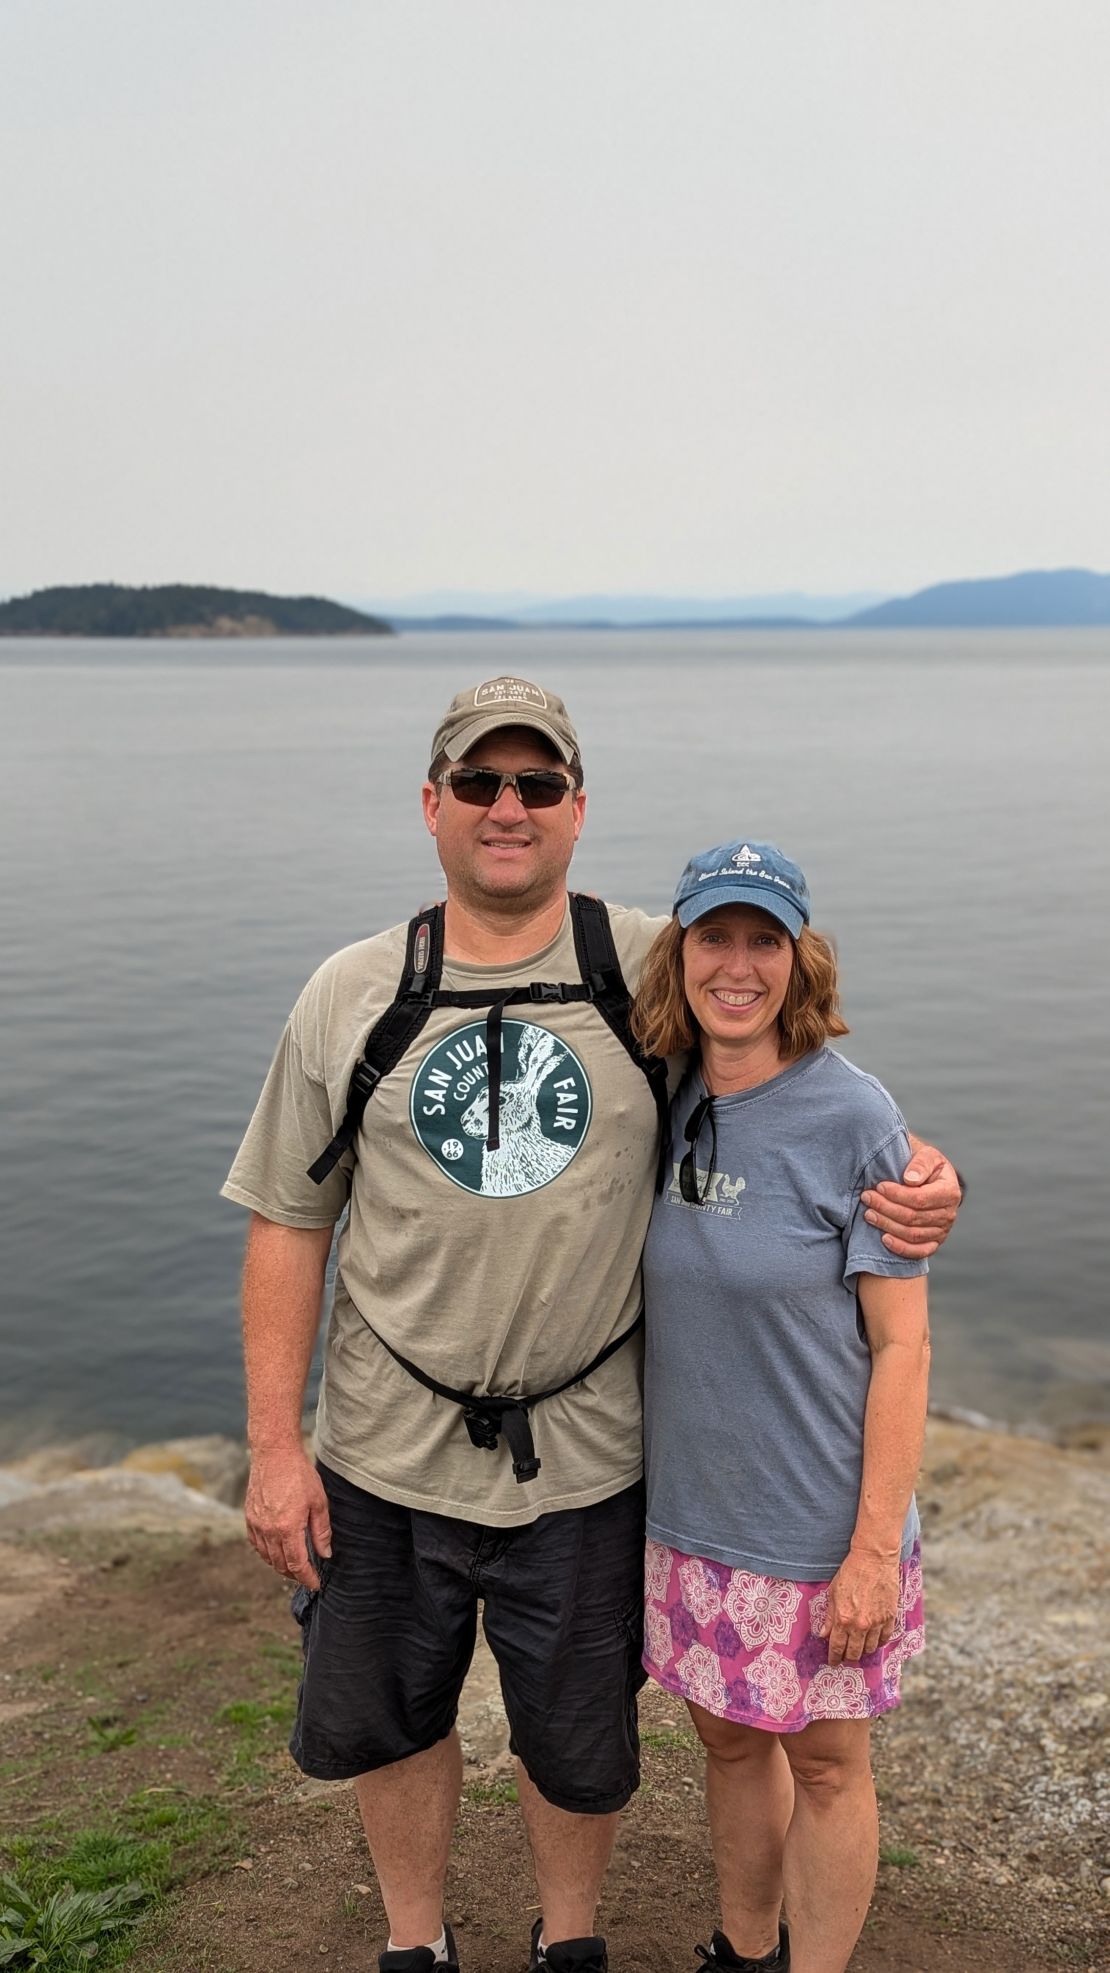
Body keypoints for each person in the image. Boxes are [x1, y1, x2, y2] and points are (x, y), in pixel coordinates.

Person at [221, 680, 959, 1973]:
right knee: (392, 1718)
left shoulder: (643, 967)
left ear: (575, 809)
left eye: (537, 785)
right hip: (387, 1442)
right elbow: (289, 1219)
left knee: (572, 1728)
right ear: (432, 804)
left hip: (587, 1454)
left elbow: (787, 1083)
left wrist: (916, 1175)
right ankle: (415, 1944)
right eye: (481, 784)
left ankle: (570, 1942)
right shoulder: (350, 992)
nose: (508, 808)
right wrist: (275, 1447)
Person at [631, 840, 934, 1973]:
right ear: (683, 949)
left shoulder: (855, 1117)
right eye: (716, 935)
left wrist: (868, 1548)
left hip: (815, 1531)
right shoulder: (663, 1093)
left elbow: (902, 1345)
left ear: (803, 962)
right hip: (692, 1518)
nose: (739, 964)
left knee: (826, 1761)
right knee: (725, 1742)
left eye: (766, 939)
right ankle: (745, 1949)